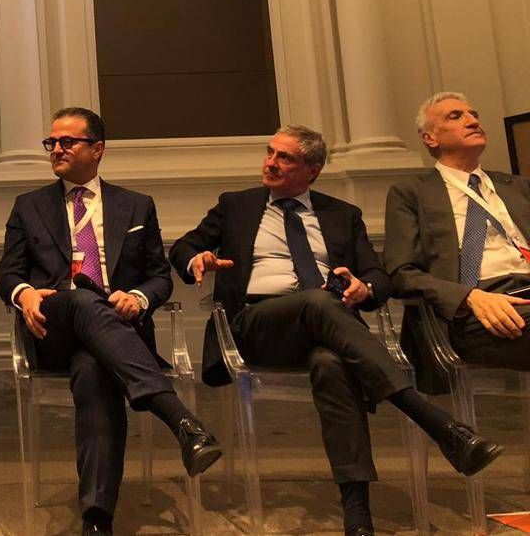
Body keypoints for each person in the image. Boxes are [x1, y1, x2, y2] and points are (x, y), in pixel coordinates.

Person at [170, 124, 501, 536]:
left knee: (332, 365)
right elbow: (183, 247)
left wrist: (365, 288)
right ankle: (434, 421)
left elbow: (379, 278)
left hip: (327, 328)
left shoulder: (342, 215)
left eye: (284, 157)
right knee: (318, 301)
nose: (270, 163)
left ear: (313, 170)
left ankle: (357, 515)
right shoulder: (236, 205)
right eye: (270, 152)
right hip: (257, 326)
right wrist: (198, 259)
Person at [0, 107, 221, 536]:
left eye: (67, 142)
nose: (56, 149)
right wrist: (24, 293)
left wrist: (137, 298)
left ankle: (97, 519)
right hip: (53, 324)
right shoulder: (29, 206)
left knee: (93, 370)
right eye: (51, 142)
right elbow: (8, 274)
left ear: (97, 149)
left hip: (117, 331)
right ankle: (177, 416)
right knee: (81, 299)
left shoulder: (136, 205)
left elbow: (159, 277)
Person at [386, 92, 530, 377]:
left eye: (474, 114)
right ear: (430, 138)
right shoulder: (412, 192)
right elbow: (402, 273)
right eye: (456, 116)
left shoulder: (518, 186)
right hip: (475, 308)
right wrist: (468, 297)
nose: (473, 121)